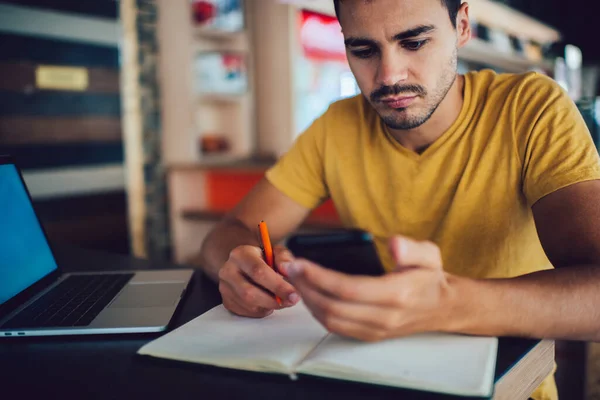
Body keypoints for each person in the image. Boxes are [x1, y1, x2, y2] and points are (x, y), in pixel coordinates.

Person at [197, 1, 600, 399]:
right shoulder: (336, 127)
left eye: (414, 42)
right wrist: (238, 267)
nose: (388, 76)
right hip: (381, 374)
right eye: (364, 49)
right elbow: (230, 232)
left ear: (461, 25)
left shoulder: (531, 109)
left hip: (509, 386)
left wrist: (444, 304)